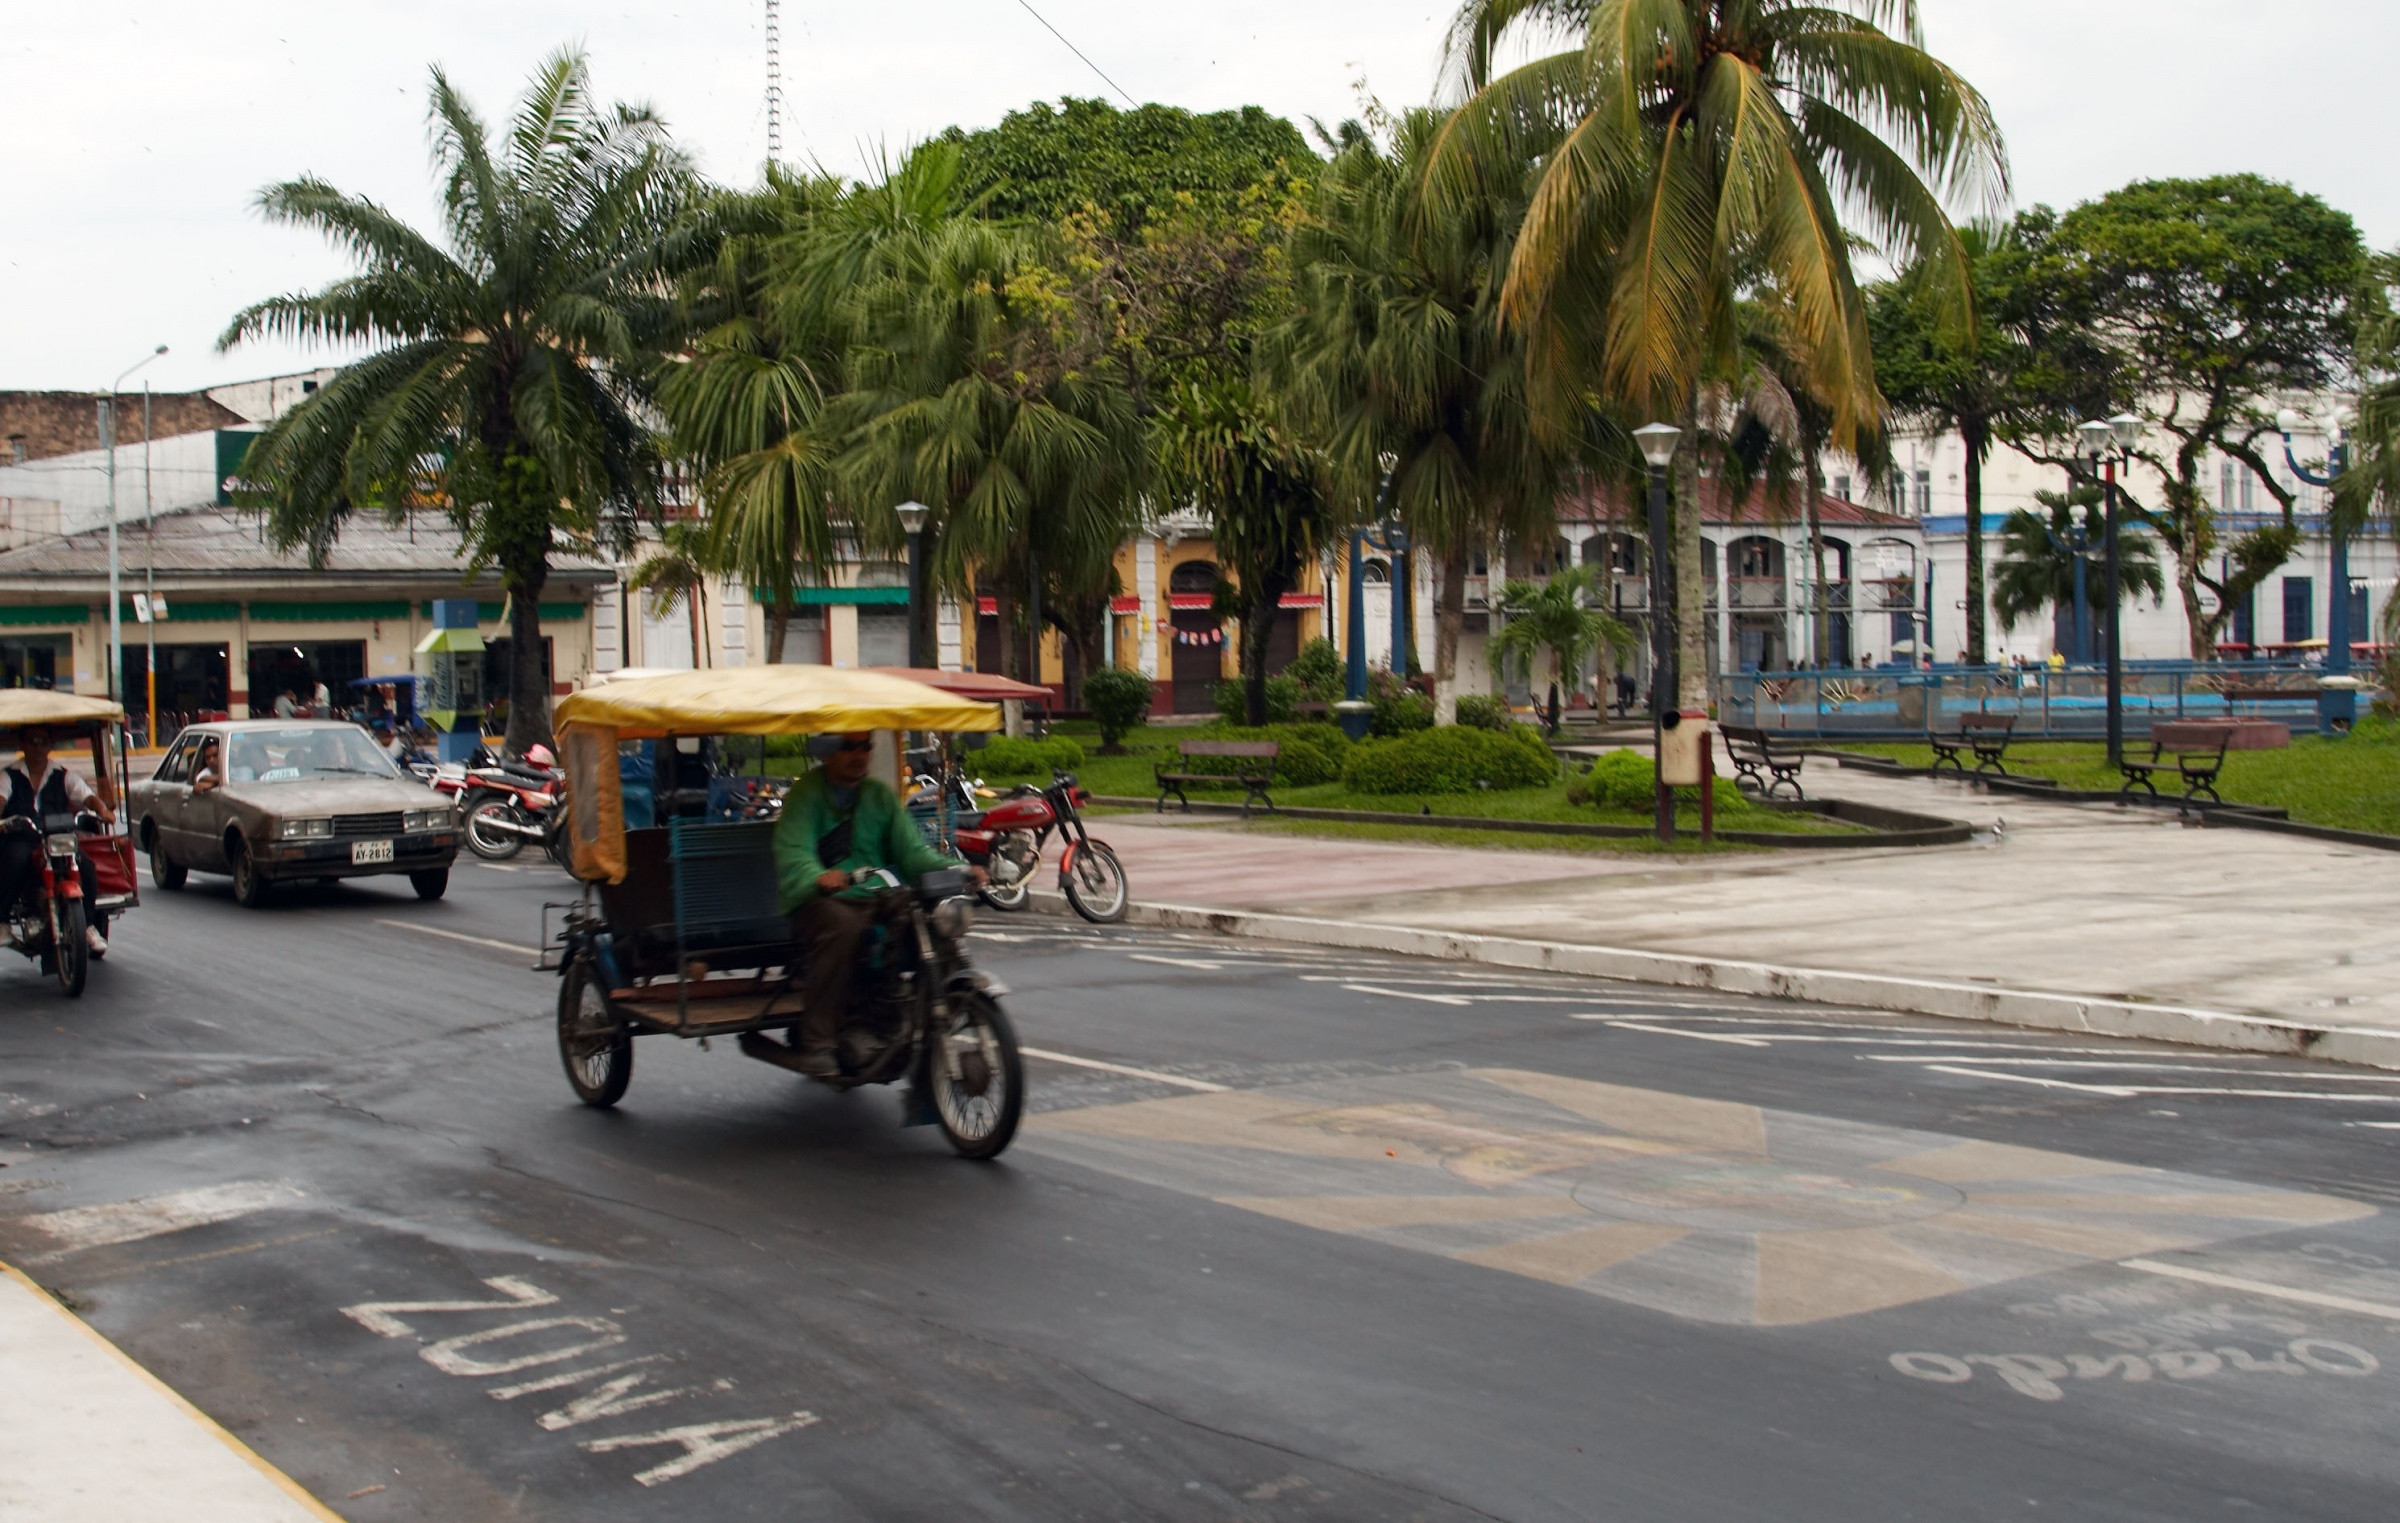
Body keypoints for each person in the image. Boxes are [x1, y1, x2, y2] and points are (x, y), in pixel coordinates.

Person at [767, 732, 977, 1077]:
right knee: (844, 928)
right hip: (820, 900)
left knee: (929, 918)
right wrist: (818, 876)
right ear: (829, 751)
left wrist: (957, 869)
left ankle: (926, 1006)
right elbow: (794, 850)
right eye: (850, 746)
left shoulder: (878, 796)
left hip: (876, 892)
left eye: (865, 746)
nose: (859, 754)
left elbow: (911, 852)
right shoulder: (807, 794)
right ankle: (817, 1040)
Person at [1, 726, 113, 954]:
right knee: (15, 860)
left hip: (57, 838)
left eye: (43, 741)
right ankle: (2, 922)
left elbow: (86, 795)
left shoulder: (63, 775)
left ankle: (88, 925)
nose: (38, 746)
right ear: (22, 745)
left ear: (49, 746)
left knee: (86, 867)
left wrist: (102, 809)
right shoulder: (8, 775)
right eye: (32, 741)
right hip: (23, 837)